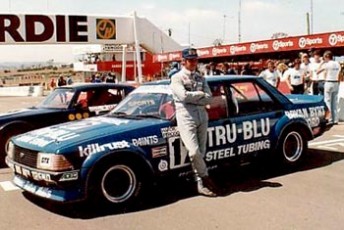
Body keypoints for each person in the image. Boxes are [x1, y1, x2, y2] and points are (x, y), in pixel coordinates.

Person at [170, 48, 219, 197]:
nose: (193, 63)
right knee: (194, 151)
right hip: (186, 117)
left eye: (195, 60)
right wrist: (199, 95)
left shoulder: (200, 78)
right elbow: (183, 96)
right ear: (183, 61)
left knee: (201, 152)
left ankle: (200, 184)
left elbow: (209, 98)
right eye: (190, 60)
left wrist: (197, 97)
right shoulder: (177, 78)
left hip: (202, 116)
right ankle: (205, 176)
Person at [317, 50, 342, 124]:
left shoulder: (327, 64)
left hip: (329, 82)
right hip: (336, 82)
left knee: (327, 101)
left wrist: (322, 63)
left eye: (324, 57)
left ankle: (330, 119)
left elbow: (318, 71)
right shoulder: (337, 63)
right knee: (334, 102)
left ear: (327, 57)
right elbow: (339, 73)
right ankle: (335, 119)